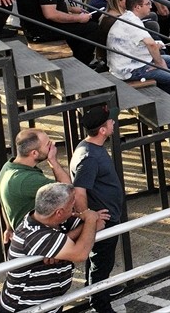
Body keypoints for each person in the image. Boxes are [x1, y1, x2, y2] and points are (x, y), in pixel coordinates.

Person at [0, 183, 108, 313]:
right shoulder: (33, 235)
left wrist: (86, 227)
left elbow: (96, 224)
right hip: (25, 308)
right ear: (59, 212)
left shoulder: (48, 219)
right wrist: (90, 220)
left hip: (50, 303)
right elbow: (80, 253)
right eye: (71, 204)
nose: (75, 207)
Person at [69, 105, 125, 313]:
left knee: (98, 259)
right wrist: (89, 218)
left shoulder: (90, 147)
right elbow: (79, 191)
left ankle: (93, 288)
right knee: (102, 262)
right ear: (102, 130)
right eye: (110, 121)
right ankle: (100, 303)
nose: (113, 123)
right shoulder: (90, 157)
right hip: (104, 219)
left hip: (106, 215)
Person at [106, 0, 170, 96]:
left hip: (129, 61)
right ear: (137, 7)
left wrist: (159, 59)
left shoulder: (129, 17)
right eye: (147, 4)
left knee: (169, 59)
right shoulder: (132, 21)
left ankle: (167, 94)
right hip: (128, 69)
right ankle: (162, 99)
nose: (151, 7)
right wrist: (159, 64)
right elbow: (151, 44)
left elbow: (141, 43)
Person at [0, 128, 73, 231]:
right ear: (34, 153)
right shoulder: (28, 180)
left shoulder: (8, 166)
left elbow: (4, 204)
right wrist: (53, 161)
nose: (53, 145)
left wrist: (9, 228)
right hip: (37, 233)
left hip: (23, 230)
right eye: (48, 144)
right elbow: (67, 190)